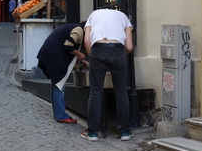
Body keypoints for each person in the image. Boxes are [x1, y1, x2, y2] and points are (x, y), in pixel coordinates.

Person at [81, 8, 134, 142]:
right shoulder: (123, 17)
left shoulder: (93, 15)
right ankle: (125, 131)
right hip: (117, 50)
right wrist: (119, 56)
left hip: (98, 48)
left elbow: (87, 41)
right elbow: (129, 47)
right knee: (121, 91)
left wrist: (92, 56)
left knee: (95, 91)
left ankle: (92, 132)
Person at [37, 22, 86, 123]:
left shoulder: (74, 28)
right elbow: (68, 46)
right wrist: (80, 54)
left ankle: (60, 114)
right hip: (53, 56)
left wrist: (78, 62)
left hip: (49, 54)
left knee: (57, 85)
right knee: (59, 86)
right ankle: (61, 115)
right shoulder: (79, 31)